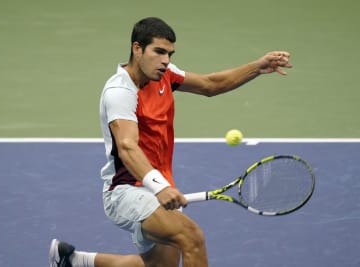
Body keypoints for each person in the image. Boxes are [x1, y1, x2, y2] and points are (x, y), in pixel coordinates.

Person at [49, 17, 292, 267]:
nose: (166, 60)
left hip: (159, 186)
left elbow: (211, 84)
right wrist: (159, 187)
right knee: (191, 237)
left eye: (170, 54)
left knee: (158, 265)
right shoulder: (120, 92)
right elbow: (127, 146)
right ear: (137, 49)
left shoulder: (166, 75)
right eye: (159, 52)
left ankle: (74, 261)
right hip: (126, 191)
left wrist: (257, 67)